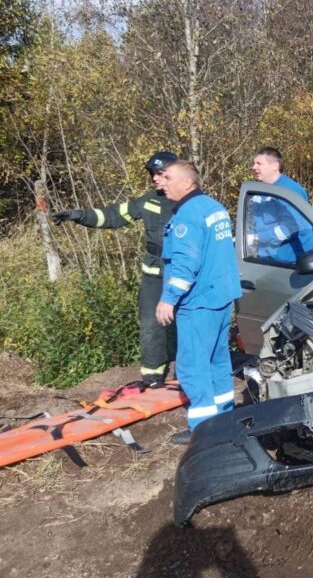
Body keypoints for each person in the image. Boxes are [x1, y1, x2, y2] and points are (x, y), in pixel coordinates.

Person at [53, 151, 179, 387]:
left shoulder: (191, 202)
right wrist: (79, 215)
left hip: (185, 274)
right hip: (155, 275)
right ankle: (153, 378)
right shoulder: (148, 202)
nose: (155, 179)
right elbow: (112, 215)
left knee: (188, 323)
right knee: (152, 324)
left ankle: (187, 373)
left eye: (160, 174)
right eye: (153, 174)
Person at [156, 161, 241, 444]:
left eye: (168, 177)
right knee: (218, 360)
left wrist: (168, 300)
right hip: (222, 296)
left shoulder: (187, 216)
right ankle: (225, 419)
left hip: (199, 302)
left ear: (187, 182)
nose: (162, 182)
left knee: (192, 366)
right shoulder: (214, 207)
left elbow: (185, 263)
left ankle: (204, 430)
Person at [248, 146, 313, 263]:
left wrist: (257, 239)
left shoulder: (289, 191)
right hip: (268, 260)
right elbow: (255, 224)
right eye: (254, 163)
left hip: (290, 264)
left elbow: (291, 227)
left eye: (259, 163)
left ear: (275, 166)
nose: (254, 167)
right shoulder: (259, 191)